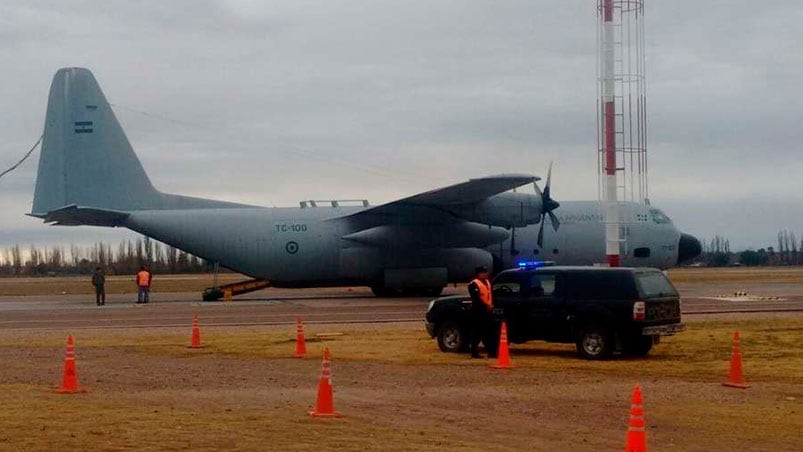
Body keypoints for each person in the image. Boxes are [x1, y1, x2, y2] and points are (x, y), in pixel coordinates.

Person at [467, 265, 495, 358]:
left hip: (486, 311)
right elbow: (476, 298)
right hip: (477, 311)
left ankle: (491, 352)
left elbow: (489, 295)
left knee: (488, 332)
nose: (485, 274)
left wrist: (490, 305)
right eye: (483, 272)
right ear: (479, 274)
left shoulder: (487, 282)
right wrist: (486, 305)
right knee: (477, 333)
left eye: (486, 272)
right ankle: (474, 352)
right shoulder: (473, 284)